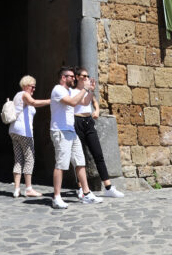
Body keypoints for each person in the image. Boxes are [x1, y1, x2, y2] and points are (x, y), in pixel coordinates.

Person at [49, 67, 103, 209]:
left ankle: (86, 193)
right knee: (61, 164)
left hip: (71, 131)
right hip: (60, 131)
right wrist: (84, 90)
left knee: (80, 161)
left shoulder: (69, 91)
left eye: (74, 76)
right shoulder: (58, 90)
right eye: (71, 76)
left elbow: (85, 103)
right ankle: (56, 197)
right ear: (63, 77)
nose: (73, 78)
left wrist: (90, 90)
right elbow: (73, 103)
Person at [73, 67, 124, 197]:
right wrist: (86, 89)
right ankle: (81, 187)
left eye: (87, 76)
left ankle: (108, 187)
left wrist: (96, 109)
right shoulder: (72, 91)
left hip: (88, 122)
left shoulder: (87, 91)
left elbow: (91, 102)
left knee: (98, 154)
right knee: (80, 157)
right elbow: (78, 102)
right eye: (84, 76)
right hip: (76, 121)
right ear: (77, 77)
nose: (86, 78)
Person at [9, 75, 51, 198]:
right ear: (26, 86)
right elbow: (33, 102)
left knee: (18, 159)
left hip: (14, 131)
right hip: (24, 132)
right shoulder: (24, 94)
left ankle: (16, 189)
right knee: (29, 158)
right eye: (32, 87)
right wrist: (50, 101)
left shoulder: (17, 96)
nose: (33, 89)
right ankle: (28, 188)